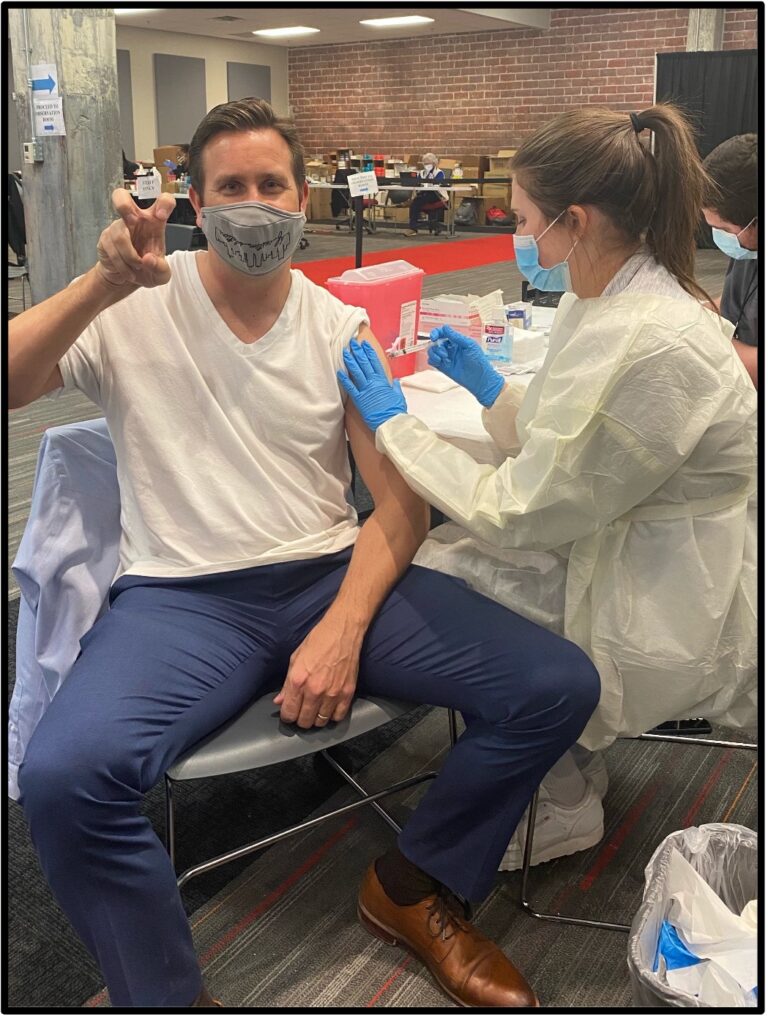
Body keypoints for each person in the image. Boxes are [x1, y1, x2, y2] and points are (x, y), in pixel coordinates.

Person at [8, 97, 600, 1009]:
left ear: (302, 195)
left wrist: (342, 625)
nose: (255, 203)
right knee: (63, 779)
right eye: (231, 186)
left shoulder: (334, 322)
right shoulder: (133, 308)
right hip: (181, 598)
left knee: (554, 684)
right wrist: (102, 284)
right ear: (196, 203)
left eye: (271, 184)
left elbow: (398, 503)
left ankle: (411, 887)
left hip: (329, 572)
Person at [340, 103, 757, 870]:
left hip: (657, 586)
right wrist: (493, 391)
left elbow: (524, 508)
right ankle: (560, 758)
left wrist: (397, 427)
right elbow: (576, 443)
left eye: (524, 218)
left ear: (574, 219)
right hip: (620, 538)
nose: (518, 236)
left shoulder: (648, 336)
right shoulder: (602, 297)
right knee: (450, 556)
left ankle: (559, 800)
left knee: (435, 573)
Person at [702, 134, 758, 386]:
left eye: (723, 228)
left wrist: (699, 335)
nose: (720, 236)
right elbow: (735, 302)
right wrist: (693, 309)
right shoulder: (749, 248)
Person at [402, 152, 447, 236]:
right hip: (423, 193)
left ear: (434, 163)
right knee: (417, 201)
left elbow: (437, 185)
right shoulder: (421, 173)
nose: (426, 165)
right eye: (424, 163)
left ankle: (413, 228)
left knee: (415, 203)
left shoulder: (439, 173)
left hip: (436, 195)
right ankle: (416, 226)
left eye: (428, 163)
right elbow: (418, 183)